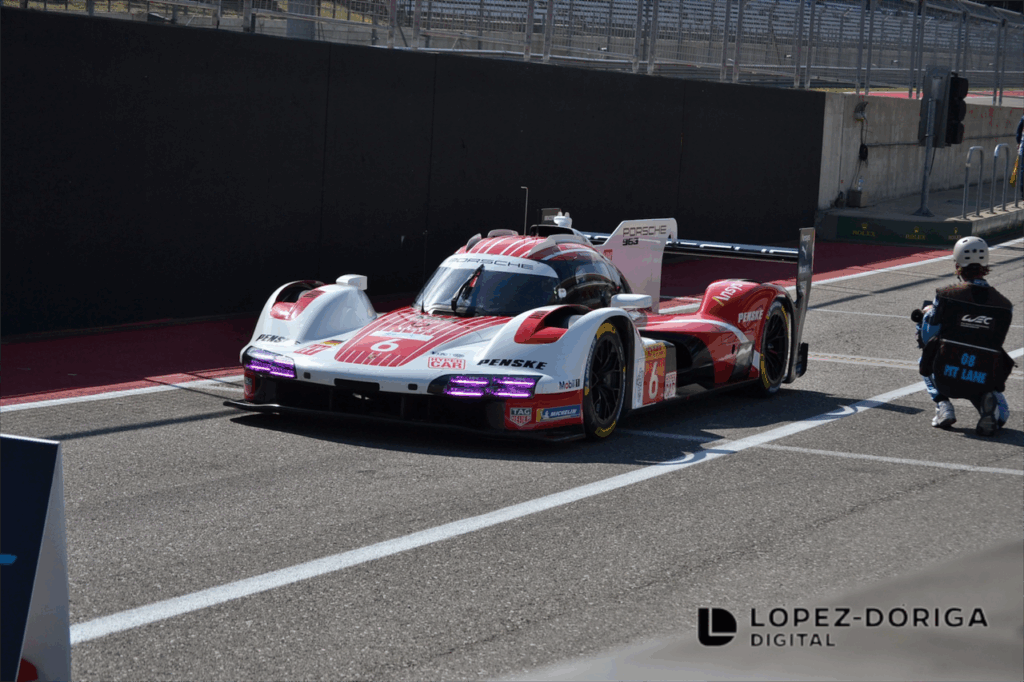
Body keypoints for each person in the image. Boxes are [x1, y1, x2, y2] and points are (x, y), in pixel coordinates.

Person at [916, 236, 1013, 436]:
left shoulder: (946, 294)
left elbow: (929, 335)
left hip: (946, 371)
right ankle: (992, 408)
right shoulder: (1004, 305)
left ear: (958, 265)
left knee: (925, 356)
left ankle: (943, 406)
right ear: (985, 265)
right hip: (983, 373)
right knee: (1001, 413)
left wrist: (926, 315)